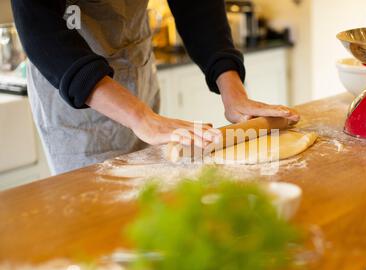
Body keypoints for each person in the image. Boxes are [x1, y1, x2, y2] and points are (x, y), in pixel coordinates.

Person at [11, 0, 299, 174]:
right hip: (74, 96)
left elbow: (197, 8)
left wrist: (232, 89)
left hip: (136, 70)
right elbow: (40, 27)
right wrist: (139, 116)